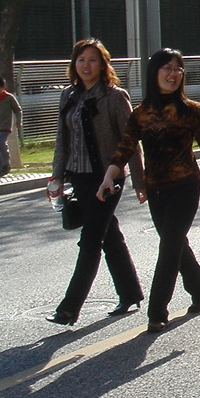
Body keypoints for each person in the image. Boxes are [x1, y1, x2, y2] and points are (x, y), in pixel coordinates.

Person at [98, 49, 200, 333]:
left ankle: (157, 311)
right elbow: (124, 149)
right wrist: (108, 178)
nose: (173, 74)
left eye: (178, 69)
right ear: (155, 73)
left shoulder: (191, 111)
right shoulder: (140, 114)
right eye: (167, 68)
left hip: (186, 185)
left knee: (169, 245)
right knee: (175, 243)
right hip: (156, 189)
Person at [46, 39, 144, 325]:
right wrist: (57, 177)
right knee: (109, 234)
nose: (86, 65)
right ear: (74, 65)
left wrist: (140, 181)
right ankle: (130, 293)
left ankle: (68, 309)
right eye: (81, 60)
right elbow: (62, 140)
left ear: (103, 64)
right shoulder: (68, 95)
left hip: (108, 178)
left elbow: (130, 142)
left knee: (90, 240)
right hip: (79, 177)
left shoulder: (114, 96)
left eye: (92, 60)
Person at [0, 76, 22, 177]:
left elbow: (17, 110)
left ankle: (6, 164)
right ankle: (0, 167)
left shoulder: (9, 98)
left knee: (0, 144)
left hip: (5, 126)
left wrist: (18, 122)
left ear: (4, 88)